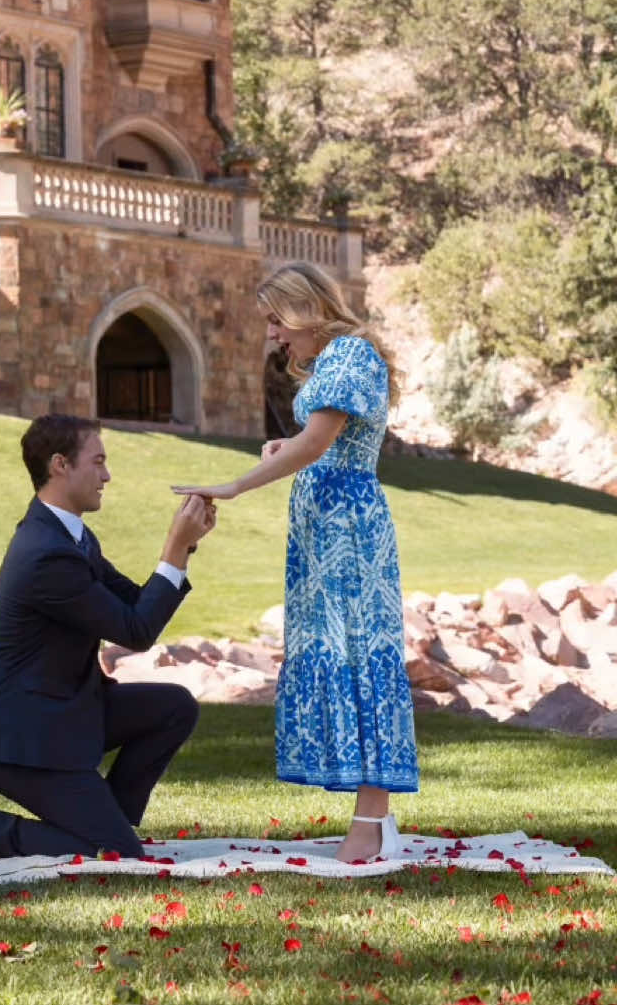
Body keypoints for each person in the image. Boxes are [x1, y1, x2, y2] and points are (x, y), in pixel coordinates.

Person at [172, 262, 418, 864]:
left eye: (278, 320)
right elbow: (322, 441)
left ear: (308, 310)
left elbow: (318, 444)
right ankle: (372, 820)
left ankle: (371, 819)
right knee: (340, 651)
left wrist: (236, 485)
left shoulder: (350, 356)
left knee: (359, 653)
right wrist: (291, 449)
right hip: (325, 527)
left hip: (347, 530)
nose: (275, 336)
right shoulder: (337, 362)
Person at [0, 413, 215, 869]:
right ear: (60, 465)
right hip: (20, 736)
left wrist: (184, 546)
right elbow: (136, 633)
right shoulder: (46, 554)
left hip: (65, 714)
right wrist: (173, 549)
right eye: (97, 461)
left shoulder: (70, 537)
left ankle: (106, 819)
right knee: (112, 856)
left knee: (174, 707)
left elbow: (137, 606)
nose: (107, 475)